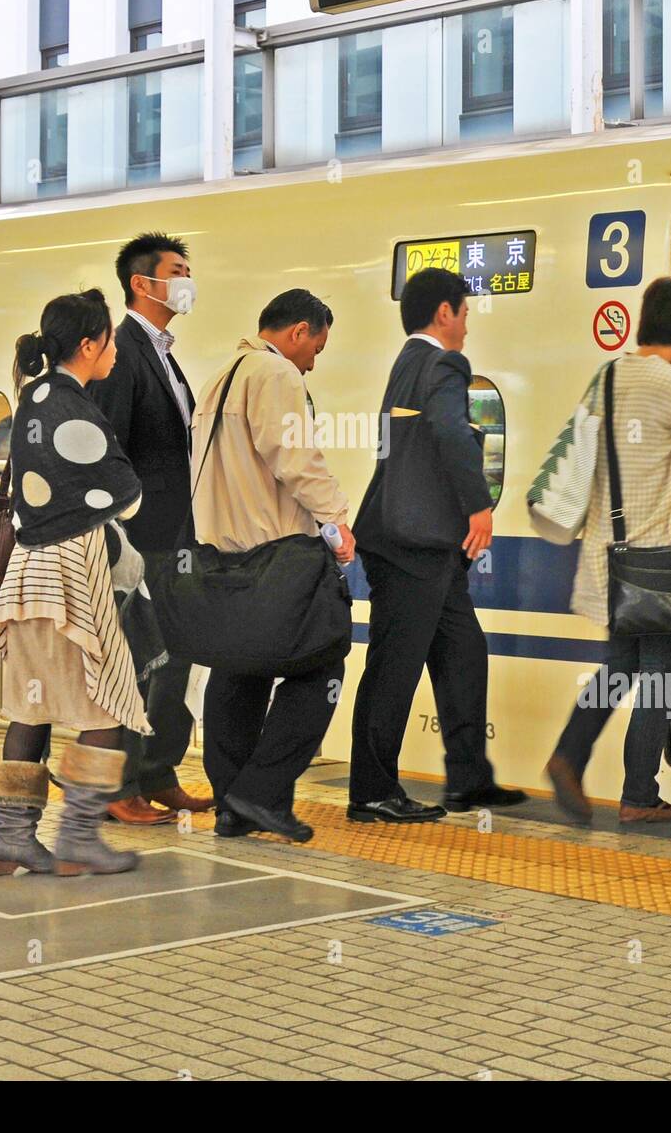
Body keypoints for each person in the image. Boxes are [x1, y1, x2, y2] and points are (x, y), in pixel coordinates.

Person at [348, 268, 525, 823]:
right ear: (444, 313)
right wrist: (479, 505)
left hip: (416, 542)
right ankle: (371, 792)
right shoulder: (444, 362)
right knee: (394, 668)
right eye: (465, 313)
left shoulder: (407, 361)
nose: (468, 325)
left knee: (464, 652)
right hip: (412, 545)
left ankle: (469, 779)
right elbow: (449, 431)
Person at [0, 289, 154, 877]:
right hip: (72, 574)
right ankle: (80, 836)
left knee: (31, 705)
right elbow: (125, 494)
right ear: (88, 345)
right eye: (108, 341)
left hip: (26, 570)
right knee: (106, 701)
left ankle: (9, 837)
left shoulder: (32, 397)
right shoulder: (73, 408)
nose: (114, 352)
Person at [545, 276, 671, 826]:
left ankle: (569, 755)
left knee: (620, 665)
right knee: (663, 674)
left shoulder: (607, 378)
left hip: (608, 556)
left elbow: (582, 456)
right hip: (657, 561)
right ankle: (639, 796)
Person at [190, 289, 355, 843]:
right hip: (272, 554)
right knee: (323, 664)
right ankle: (260, 794)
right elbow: (296, 458)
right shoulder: (277, 374)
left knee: (239, 673)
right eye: (317, 347)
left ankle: (231, 804)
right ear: (299, 332)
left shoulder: (221, 375)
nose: (314, 360)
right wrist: (335, 519)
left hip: (221, 551)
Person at [89, 232, 213, 825]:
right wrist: (121, 529)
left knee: (178, 656)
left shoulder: (163, 353)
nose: (187, 280)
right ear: (143, 283)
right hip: (140, 540)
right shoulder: (122, 351)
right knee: (139, 662)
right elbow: (105, 445)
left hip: (178, 535)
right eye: (178, 270)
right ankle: (118, 786)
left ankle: (159, 769)